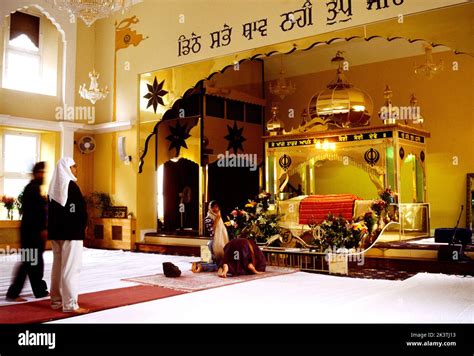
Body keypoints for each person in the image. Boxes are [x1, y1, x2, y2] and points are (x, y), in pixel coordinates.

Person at [48, 157, 89, 314]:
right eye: (73, 166)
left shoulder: (53, 188)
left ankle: (56, 301)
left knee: (57, 268)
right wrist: (81, 227)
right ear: (66, 169)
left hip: (57, 233)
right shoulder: (70, 187)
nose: (76, 169)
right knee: (71, 269)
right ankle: (70, 304)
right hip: (71, 234)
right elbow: (74, 211)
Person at [6, 162, 49, 302]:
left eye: (44, 172)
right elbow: (32, 214)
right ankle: (13, 293)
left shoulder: (34, 189)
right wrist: (41, 229)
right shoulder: (31, 189)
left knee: (33, 263)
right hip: (31, 234)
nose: (43, 175)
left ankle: (39, 291)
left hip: (31, 233)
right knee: (28, 263)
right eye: (40, 172)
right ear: (35, 173)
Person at [192, 200, 229, 273]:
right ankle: (201, 266)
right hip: (214, 242)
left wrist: (218, 218)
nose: (215, 209)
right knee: (218, 264)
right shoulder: (208, 218)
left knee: (218, 262)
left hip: (221, 241)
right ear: (210, 208)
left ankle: (199, 265)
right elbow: (212, 231)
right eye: (213, 207)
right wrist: (217, 219)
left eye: (217, 207)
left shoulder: (218, 217)